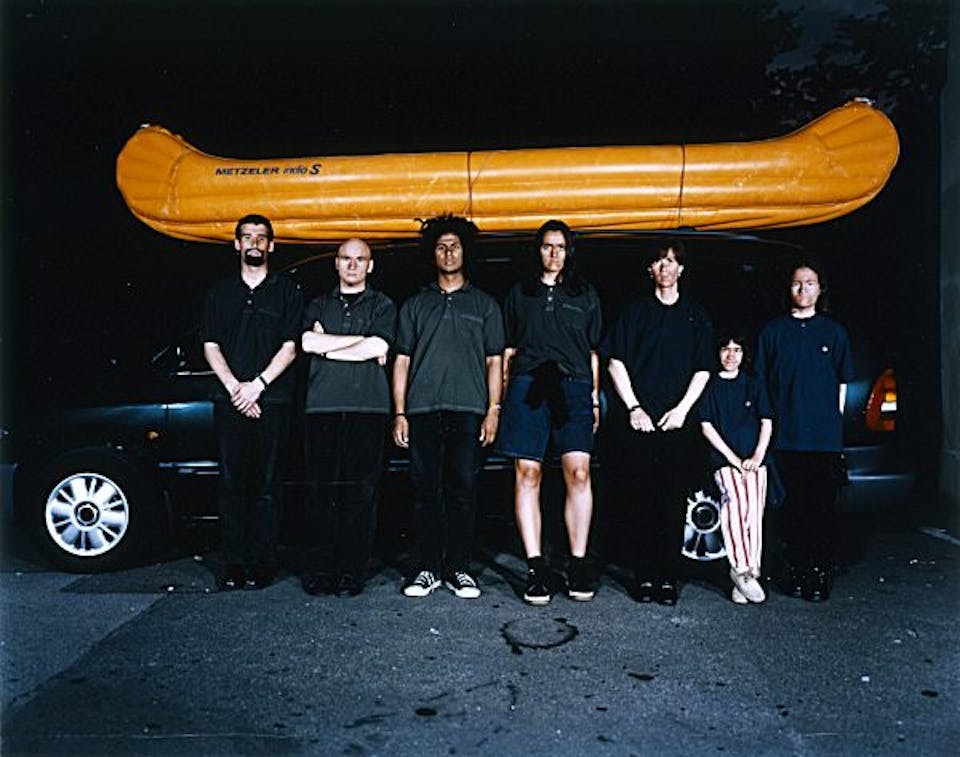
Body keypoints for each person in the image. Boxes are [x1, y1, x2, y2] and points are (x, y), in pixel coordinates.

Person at [392, 216, 504, 599]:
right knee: (425, 490)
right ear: (433, 254)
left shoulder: (484, 304)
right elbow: (402, 360)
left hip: (468, 408)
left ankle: (458, 569)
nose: (448, 253)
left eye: (455, 246)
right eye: (441, 247)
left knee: (463, 490)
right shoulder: (415, 304)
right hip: (422, 409)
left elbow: (494, 361)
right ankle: (427, 568)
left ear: (465, 252)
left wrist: (493, 410)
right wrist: (400, 412)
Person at [496, 220, 602, 605]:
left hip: (573, 387)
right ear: (537, 250)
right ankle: (536, 569)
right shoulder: (520, 293)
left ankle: (578, 564)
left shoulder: (584, 294)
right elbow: (508, 352)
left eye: (560, 246)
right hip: (529, 387)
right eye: (547, 246)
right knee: (528, 472)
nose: (554, 253)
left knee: (579, 472)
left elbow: (592, 353)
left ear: (569, 251)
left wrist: (594, 399)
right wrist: (503, 401)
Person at [603, 240, 713, 605]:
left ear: (681, 269)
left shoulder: (695, 315)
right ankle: (644, 577)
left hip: (677, 422)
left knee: (673, 499)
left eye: (671, 261)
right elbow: (615, 361)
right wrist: (634, 407)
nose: (665, 267)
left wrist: (682, 410)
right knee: (641, 499)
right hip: (641, 422)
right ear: (650, 270)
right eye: (659, 262)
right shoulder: (635, 312)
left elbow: (703, 368)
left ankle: (667, 577)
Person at [202, 214, 303, 590]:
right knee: (231, 484)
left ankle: (263, 565)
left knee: (267, 485)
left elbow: (291, 347)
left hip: (272, 399)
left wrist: (257, 386)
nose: (254, 243)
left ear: (271, 246)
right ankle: (233, 564)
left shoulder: (287, 291)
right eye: (248, 237)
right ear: (237, 244)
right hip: (230, 399)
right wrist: (236, 389)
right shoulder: (220, 292)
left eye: (261, 238)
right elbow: (210, 344)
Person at [299, 238, 396, 597]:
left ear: (370, 265)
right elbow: (307, 343)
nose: (352, 265)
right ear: (336, 264)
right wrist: (359, 343)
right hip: (322, 407)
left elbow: (379, 346)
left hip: (368, 408)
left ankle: (351, 572)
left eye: (360, 259)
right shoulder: (318, 304)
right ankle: (321, 571)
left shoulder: (383, 304)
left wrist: (329, 346)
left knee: (361, 493)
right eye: (346, 258)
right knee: (321, 492)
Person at [754, 260, 853, 602]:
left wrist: (831, 425)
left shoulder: (834, 333)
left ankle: (818, 573)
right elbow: (762, 383)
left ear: (820, 289)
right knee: (791, 509)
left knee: (821, 509)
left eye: (810, 283)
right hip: (786, 437)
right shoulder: (773, 332)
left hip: (823, 439)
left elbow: (842, 385)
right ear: (789, 289)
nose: (803, 289)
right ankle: (795, 571)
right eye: (797, 283)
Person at [698, 332, 773, 604]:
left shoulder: (753, 383)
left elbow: (766, 421)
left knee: (753, 511)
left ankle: (751, 573)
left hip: (754, 458)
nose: (731, 355)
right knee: (735, 504)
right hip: (724, 459)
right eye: (725, 349)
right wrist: (733, 459)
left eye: (737, 349)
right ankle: (740, 569)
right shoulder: (711, 385)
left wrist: (757, 455)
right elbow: (706, 426)